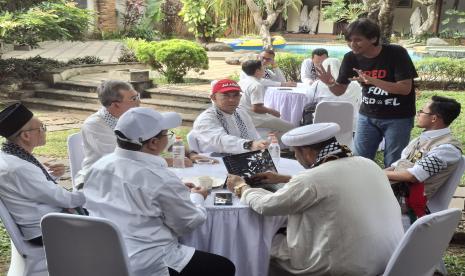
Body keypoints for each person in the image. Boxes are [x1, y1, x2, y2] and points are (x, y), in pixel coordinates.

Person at [227, 123, 404, 275]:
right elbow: (336, 182)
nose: (296, 157)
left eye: (296, 153)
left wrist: (242, 187)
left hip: (344, 266)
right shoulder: (369, 163)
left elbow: (267, 205)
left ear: (307, 152)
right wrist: (283, 179)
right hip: (390, 256)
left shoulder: (312, 180)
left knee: (261, 246)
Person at [83, 107, 235, 276]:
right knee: (224, 267)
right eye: (166, 134)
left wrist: (175, 193)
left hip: (103, 253)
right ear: (153, 143)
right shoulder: (160, 178)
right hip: (148, 261)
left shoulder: (99, 166)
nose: (168, 137)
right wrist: (197, 197)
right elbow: (189, 223)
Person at [317, 18, 418, 168]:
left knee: (394, 162)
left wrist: (372, 80)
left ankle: (393, 191)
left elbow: (404, 88)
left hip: (398, 117)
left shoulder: (396, 53)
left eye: (358, 40)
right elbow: (339, 91)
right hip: (367, 116)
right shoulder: (350, 58)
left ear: (373, 38)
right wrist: (329, 83)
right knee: (360, 162)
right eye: (349, 40)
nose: (352, 44)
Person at [75, 80, 213, 188]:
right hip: (103, 181)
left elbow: (165, 134)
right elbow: (121, 160)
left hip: (135, 174)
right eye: (134, 99)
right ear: (115, 105)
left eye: (137, 96)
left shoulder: (136, 115)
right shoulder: (94, 125)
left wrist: (189, 154)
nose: (139, 102)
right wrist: (172, 161)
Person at [0, 103, 85, 246]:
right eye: (41, 128)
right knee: (111, 219)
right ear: (26, 135)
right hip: (47, 230)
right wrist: (92, 190)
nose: (45, 131)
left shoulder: (10, 155)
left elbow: (29, 189)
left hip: (44, 221)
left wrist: (52, 177)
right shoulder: (19, 168)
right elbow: (66, 200)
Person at [385, 96, 462, 219]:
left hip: (408, 200)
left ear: (434, 118)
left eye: (422, 111)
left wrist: (377, 174)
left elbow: (413, 176)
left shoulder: (446, 149)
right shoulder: (421, 139)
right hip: (395, 190)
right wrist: (377, 174)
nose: (418, 114)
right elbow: (397, 165)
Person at [192, 79, 268, 154]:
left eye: (236, 95)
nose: (231, 100)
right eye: (225, 95)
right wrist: (249, 145)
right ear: (213, 98)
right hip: (216, 161)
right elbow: (221, 141)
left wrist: (261, 144)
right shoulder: (206, 119)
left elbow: (254, 136)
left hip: (243, 159)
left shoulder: (241, 113)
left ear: (240, 97)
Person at [239, 60, 295, 136]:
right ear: (258, 71)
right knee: (292, 128)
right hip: (255, 118)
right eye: (263, 67)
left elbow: (271, 82)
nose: (264, 69)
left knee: (277, 129)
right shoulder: (256, 85)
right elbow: (256, 108)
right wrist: (272, 111)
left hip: (243, 117)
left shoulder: (242, 82)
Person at [305, 57, 362, 131]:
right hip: (350, 126)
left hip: (321, 128)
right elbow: (360, 103)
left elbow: (309, 99)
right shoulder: (354, 84)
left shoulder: (317, 84)